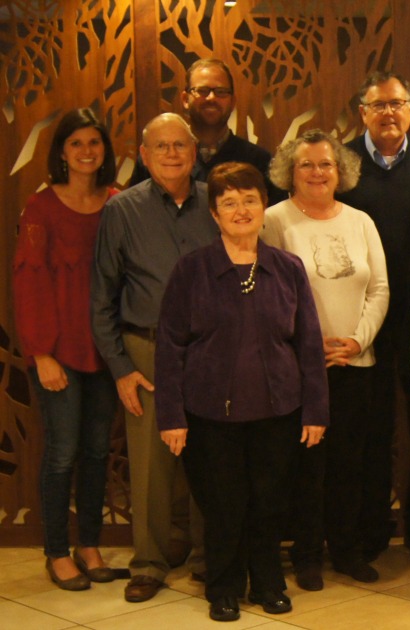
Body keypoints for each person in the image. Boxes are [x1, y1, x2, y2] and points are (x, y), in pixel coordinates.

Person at [156, 162, 328, 622]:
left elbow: (309, 344)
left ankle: (269, 583)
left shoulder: (287, 268)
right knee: (224, 508)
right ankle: (224, 587)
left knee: (269, 505)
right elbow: (169, 347)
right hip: (209, 416)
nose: (241, 210)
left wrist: (316, 411)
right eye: (229, 202)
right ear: (214, 213)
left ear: (263, 207)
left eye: (249, 200)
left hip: (279, 412)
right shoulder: (191, 270)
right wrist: (171, 416)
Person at [92, 113, 215, 602]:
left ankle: (209, 558)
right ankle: (148, 563)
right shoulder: (121, 210)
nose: (170, 154)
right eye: (160, 146)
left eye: (179, 145)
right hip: (145, 347)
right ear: (143, 155)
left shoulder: (217, 201)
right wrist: (121, 368)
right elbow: (102, 296)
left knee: (209, 456)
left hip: (210, 348)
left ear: (194, 152)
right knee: (149, 464)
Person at [262, 129, 389, 588]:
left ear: (341, 171)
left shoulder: (361, 221)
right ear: (289, 172)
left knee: (348, 464)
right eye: (306, 165)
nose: (317, 173)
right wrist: (309, 346)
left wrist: (357, 340)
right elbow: (270, 294)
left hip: (355, 363)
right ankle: (307, 555)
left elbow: (379, 288)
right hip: (300, 368)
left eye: (326, 164)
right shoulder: (274, 220)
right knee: (305, 468)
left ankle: (347, 550)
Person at [338, 71, 410, 562]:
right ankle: (366, 531)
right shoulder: (342, 162)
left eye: (396, 103)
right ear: (362, 113)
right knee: (367, 428)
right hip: (359, 319)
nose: (388, 112)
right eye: (377, 105)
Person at [14, 108, 119, 591]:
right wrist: (41, 353)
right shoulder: (41, 207)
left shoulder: (117, 202)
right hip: (57, 351)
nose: (85, 151)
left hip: (106, 349)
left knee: (97, 452)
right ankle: (56, 552)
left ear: (105, 150)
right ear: (61, 151)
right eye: (75, 143)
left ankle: (89, 545)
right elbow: (28, 283)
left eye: (94, 142)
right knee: (62, 452)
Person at [128, 59, 282, 204]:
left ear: (233, 101)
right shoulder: (156, 159)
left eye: (221, 91)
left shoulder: (259, 161)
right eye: (202, 90)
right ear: (185, 99)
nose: (211, 98)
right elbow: (134, 211)